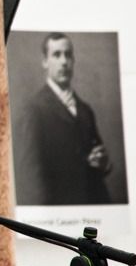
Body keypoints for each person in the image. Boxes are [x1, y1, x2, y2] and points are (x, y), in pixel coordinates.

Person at [14, 32, 112, 205]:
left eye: (68, 55)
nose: (64, 62)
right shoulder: (33, 110)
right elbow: (30, 175)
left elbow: (98, 159)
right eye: (56, 55)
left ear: (73, 60)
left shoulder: (85, 110)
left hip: (90, 209)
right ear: (45, 61)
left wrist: (103, 163)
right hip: (57, 211)